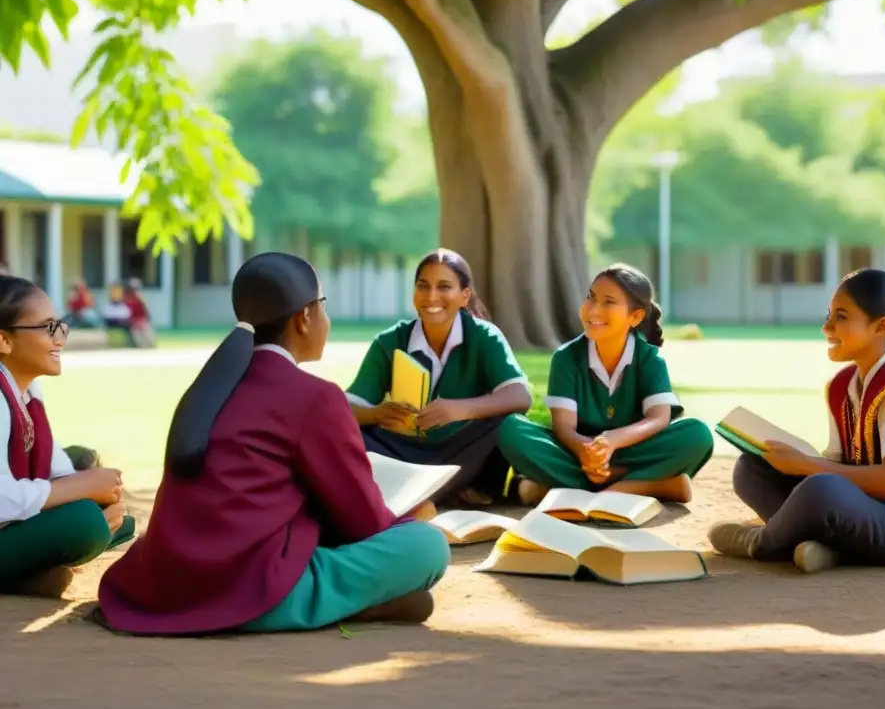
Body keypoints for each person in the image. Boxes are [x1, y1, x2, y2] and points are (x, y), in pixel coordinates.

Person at [95, 252, 449, 636]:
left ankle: (352, 600)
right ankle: (336, 603)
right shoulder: (315, 396)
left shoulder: (210, 387)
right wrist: (411, 517)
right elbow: (363, 523)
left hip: (168, 582)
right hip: (251, 587)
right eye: (323, 306)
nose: (326, 320)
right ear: (305, 317)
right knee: (427, 546)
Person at [707, 268, 885, 577]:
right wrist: (799, 462)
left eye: (842, 317)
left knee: (822, 488)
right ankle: (824, 547)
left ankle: (764, 544)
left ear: (881, 327)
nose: (827, 327)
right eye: (829, 315)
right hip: (865, 509)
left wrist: (807, 466)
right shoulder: (842, 385)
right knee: (753, 468)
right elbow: (837, 463)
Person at [497, 263, 714, 506]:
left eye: (608, 302)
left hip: (634, 450)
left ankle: (587, 488)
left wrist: (612, 440)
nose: (593, 310)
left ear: (635, 317)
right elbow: (564, 426)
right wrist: (587, 452)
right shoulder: (566, 357)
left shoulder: (649, 359)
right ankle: (649, 485)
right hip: (579, 453)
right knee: (511, 429)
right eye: (591, 298)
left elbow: (659, 418)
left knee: (697, 434)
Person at [346, 249, 532, 506]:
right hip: (400, 450)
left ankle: (429, 491)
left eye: (444, 287)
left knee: (508, 424)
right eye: (423, 286)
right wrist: (376, 413)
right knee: (340, 431)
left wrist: (460, 410)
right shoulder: (390, 342)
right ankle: (445, 492)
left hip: (463, 451)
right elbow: (345, 406)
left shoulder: (484, 337)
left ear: (464, 296)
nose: (432, 296)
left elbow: (520, 395)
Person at [0, 276, 132, 597]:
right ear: (4, 340)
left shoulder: (28, 388)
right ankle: (28, 574)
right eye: (48, 328)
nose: (60, 338)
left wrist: (96, 492)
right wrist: (80, 489)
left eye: (60, 326)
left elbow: (58, 465)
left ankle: (31, 573)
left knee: (113, 518)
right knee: (85, 523)